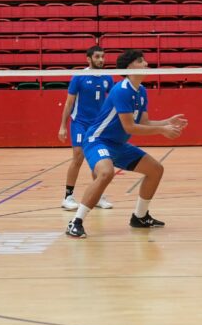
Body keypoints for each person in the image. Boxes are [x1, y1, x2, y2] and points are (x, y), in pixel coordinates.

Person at [66, 50, 187, 238]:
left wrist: (167, 122)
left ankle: (140, 217)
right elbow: (130, 127)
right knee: (106, 172)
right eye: (141, 61)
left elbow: (144, 123)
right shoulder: (121, 89)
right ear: (129, 66)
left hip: (117, 144)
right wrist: (162, 131)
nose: (146, 64)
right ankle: (76, 221)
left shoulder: (142, 91)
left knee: (156, 169)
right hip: (97, 140)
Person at [58, 45, 115, 211]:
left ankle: (97, 196)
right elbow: (69, 103)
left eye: (103, 57)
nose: (101, 60)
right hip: (80, 123)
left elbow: (112, 101)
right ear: (88, 59)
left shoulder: (107, 78)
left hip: (97, 125)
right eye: (97, 57)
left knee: (98, 160)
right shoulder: (79, 77)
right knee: (78, 156)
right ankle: (68, 196)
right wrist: (62, 126)